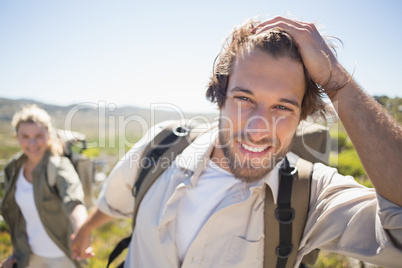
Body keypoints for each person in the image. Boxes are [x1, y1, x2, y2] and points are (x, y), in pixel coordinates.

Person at [71, 16, 402, 267]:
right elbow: (113, 200)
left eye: (282, 107)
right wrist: (85, 230)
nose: (258, 129)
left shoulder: (309, 194)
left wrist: (338, 83)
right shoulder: (162, 144)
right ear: (221, 97)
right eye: (244, 99)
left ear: (301, 115)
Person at [0, 105, 89, 268]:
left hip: (63, 257)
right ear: (17, 137)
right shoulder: (13, 168)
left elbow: (74, 201)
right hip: (28, 257)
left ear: (49, 135)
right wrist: (16, 254)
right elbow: (18, 217)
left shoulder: (59, 166)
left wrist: (82, 231)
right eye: (25, 136)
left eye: (38, 135)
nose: (32, 143)